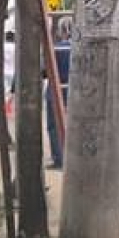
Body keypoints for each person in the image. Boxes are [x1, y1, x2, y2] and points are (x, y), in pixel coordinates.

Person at [44, 16, 73, 169]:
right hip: (74, 92)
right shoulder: (78, 49)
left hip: (54, 92)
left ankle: (59, 158)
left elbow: (44, 70)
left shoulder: (55, 48)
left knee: (54, 126)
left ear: (61, 31)